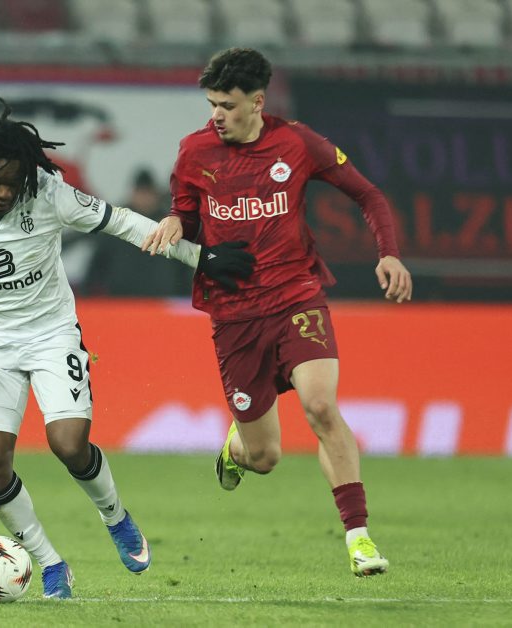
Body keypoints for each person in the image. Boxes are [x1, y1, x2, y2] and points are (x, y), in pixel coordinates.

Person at [0, 95, 252, 599]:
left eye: (13, 182)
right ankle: (50, 563)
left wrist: (201, 258)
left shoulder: (49, 192)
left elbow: (123, 222)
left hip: (50, 334)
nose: (4, 191)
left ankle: (116, 517)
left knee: (68, 443)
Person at [142, 48, 412, 577]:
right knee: (264, 457)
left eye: (227, 105)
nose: (217, 115)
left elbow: (368, 195)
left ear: (258, 102)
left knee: (321, 407)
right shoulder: (194, 151)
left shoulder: (297, 143)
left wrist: (389, 253)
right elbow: (187, 214)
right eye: (212, 104)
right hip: (234, 315)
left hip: (296, 297)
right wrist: (176, 222)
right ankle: (235, 450)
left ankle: (358, 537)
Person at [78, 167, 194, 297]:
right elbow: (97, 265)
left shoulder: (170, 227)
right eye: (140, 192)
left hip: (162, 302)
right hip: (121, 302)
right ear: (133, 193)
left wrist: (187, 299)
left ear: (155, 195)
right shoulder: (115, 225)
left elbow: (184, 270)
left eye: (147, 193)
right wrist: (86, 295)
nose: (144, 198)